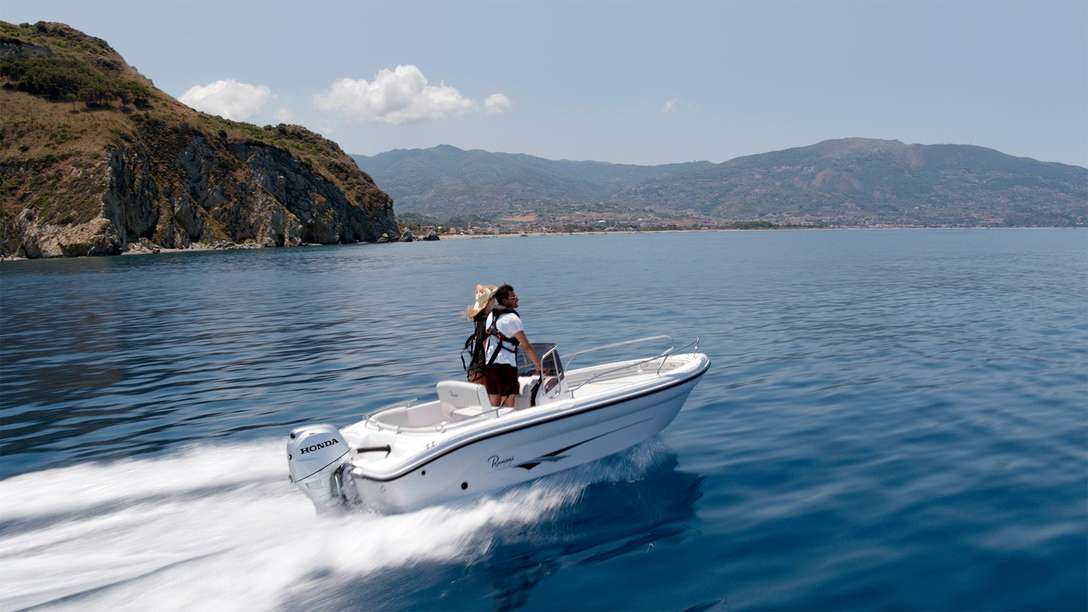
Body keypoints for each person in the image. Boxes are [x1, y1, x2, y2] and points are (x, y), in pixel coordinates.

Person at [483, 284, 542, 408]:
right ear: (504, 300)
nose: (517, 298)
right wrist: (538, 365)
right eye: (513, 297)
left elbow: (485, 342)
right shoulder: (511, 319)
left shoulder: (491, 316)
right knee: (509, 405)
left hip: (490, 366)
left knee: (494, 406)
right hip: (505, 366)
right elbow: (526, 346)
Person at [462, 284, 498, 384]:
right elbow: (486, 345)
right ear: (489, 302)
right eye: (493, 298)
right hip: (483, 368)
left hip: (477, 366)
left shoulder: (480, 319)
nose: (495, 300)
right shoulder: (487, 321)